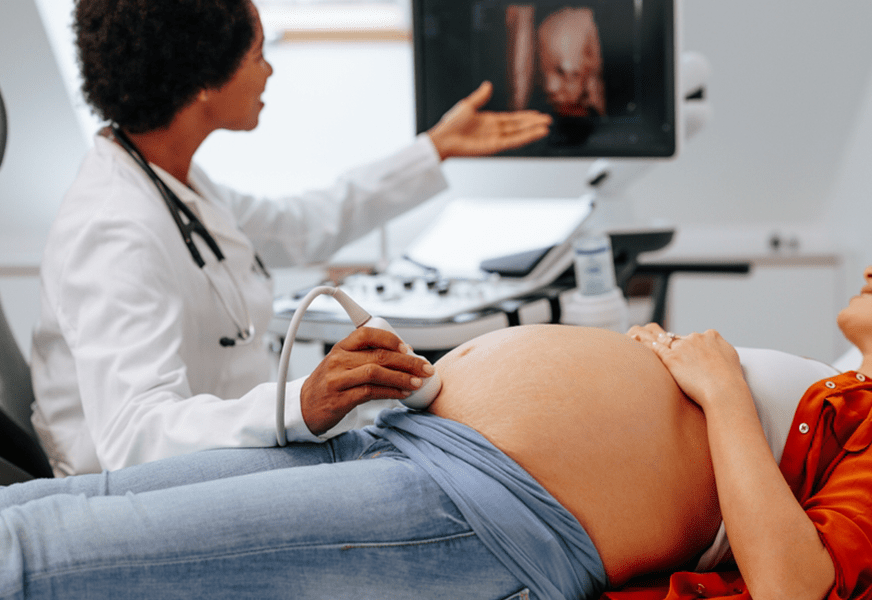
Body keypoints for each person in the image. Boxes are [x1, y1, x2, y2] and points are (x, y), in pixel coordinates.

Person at [0, 216, 872, 600]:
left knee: (45, 557)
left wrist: (721, 390)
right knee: (47, 514)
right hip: (417, 442)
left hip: (492, 511)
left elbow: (791, 584)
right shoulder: (835, 387)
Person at [29, 0, 552, 477]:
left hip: (225, 469)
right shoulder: (112, 229)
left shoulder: (167, 179)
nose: (269, 69)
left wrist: (433, 148)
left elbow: (299, 226)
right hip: (146, 510)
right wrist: (301, 403)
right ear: (204, 75)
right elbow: (134, 439)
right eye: (258, 54)